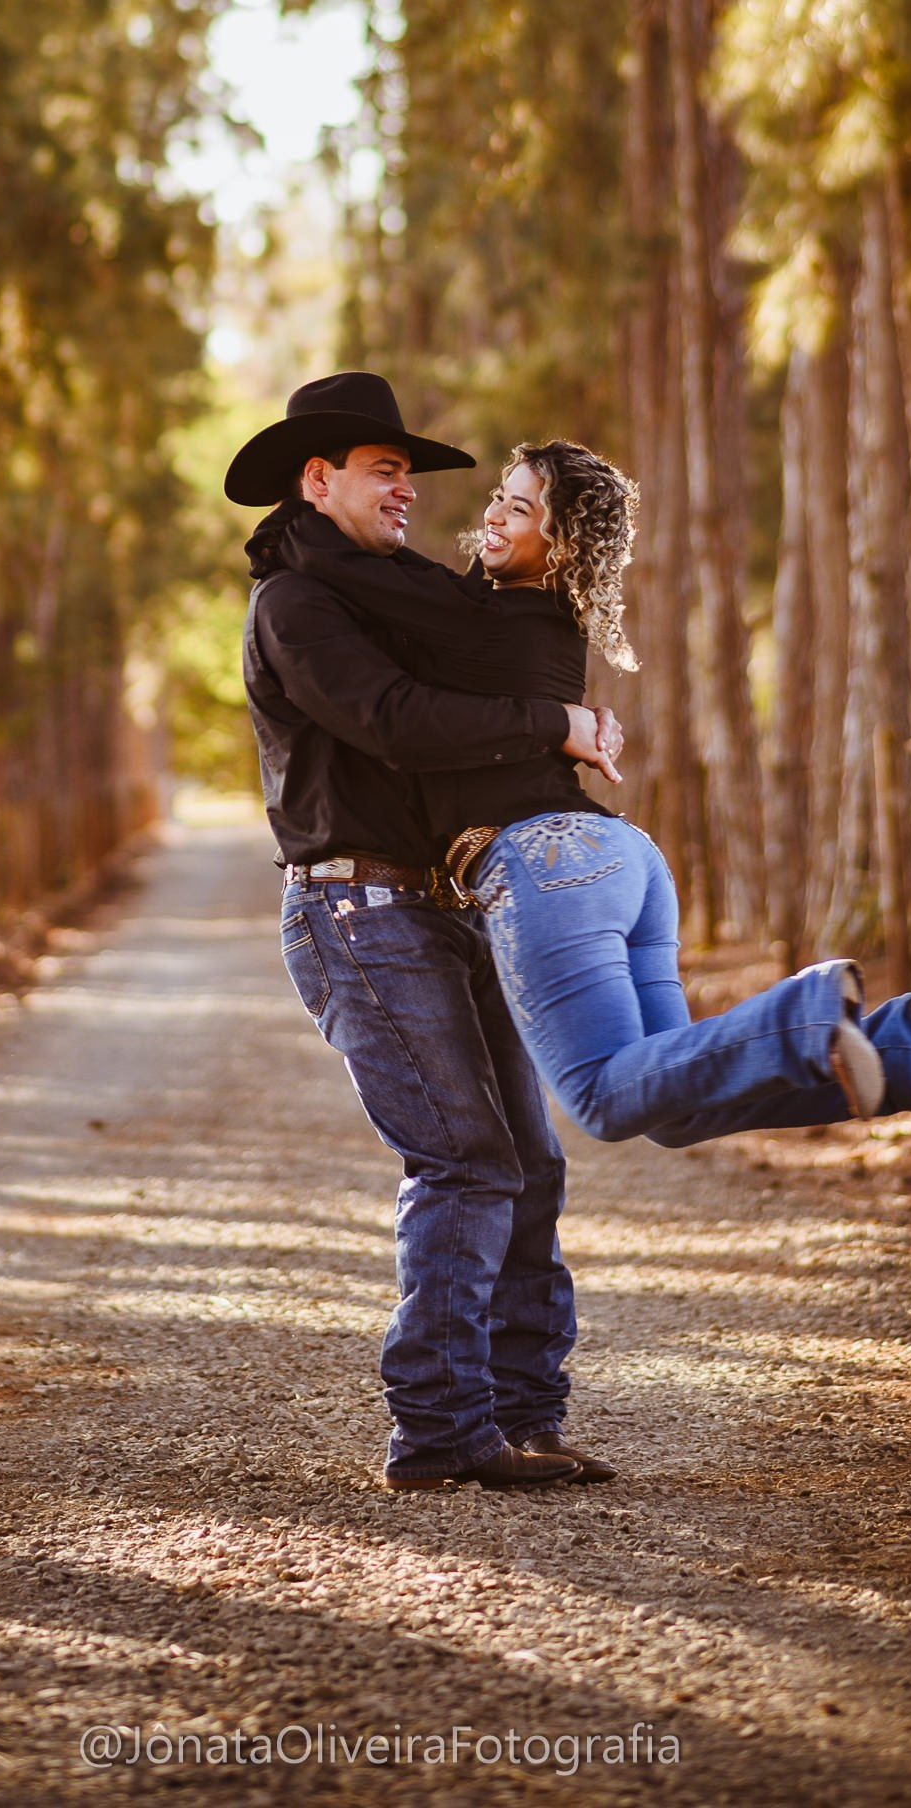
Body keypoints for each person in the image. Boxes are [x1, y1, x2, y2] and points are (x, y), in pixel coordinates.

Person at [275, 436, 911, 1160]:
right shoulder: (530, 618)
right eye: (499, 498)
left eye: (520, 510)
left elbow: (353, 571)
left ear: (560, 546)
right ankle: (899, 1058)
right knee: (672, 1106)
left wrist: (288, 523)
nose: (494, 516)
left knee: (603, 1099)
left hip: (545, 863)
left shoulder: (477, 617)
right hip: (620, 861)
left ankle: (807, 1015)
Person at [229, 371, 617, 1494]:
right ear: (319, 479)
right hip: (356, 909)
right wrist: (557, 721)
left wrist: (563, 726)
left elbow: (493, 673)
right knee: (463, 1158)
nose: (408, 491)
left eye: (409, 473)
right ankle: (441, 1431)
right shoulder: (295, 609)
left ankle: (525, 1418)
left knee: (529, 1161)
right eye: (386, 470)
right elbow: (396, 726)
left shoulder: (406, 595)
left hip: (450, 903)